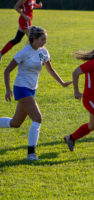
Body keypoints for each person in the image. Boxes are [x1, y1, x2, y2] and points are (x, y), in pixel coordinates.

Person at [0, 26, 72, 161]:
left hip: (32, 89)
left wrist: (62, 83)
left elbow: (50, 70)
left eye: (45, 39)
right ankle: (31, 154)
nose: (44, 42)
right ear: (33, 39)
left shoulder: (43, 51)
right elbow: (7, 71)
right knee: (38, 118)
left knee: (15, 123)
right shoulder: (24, 52)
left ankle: (31, 154)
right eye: (42, 39)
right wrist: (8, 90)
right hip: (21, 88)